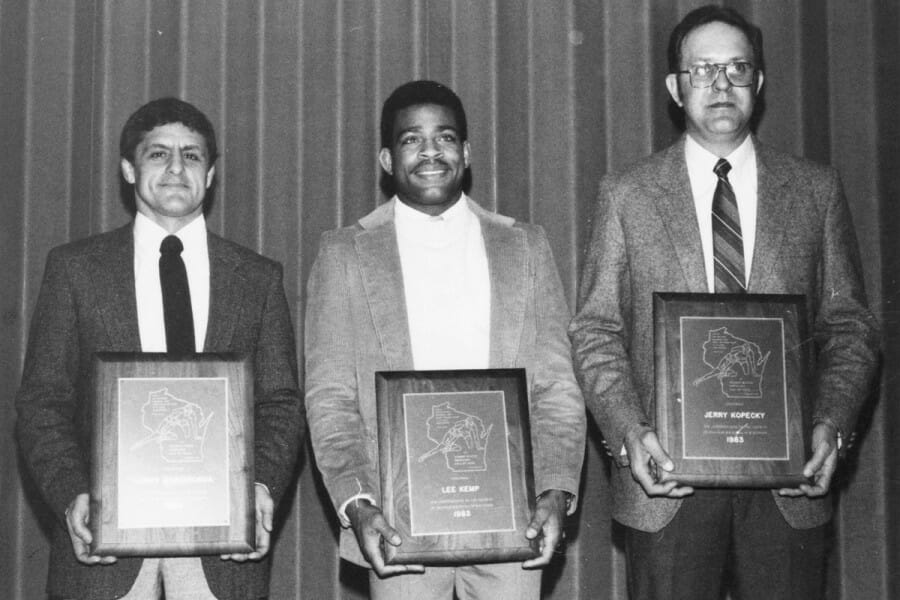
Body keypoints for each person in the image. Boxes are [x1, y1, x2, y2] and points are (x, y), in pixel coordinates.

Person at [569, 6, 880, 600]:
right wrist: (629, 434)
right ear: (674, 87)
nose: (720, 83)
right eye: (701, 69)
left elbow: (851, 327)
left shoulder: (816, 189)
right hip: (667, 488)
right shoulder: (627, 194)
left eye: (737, 67)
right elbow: (595, 331)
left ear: (758, 83)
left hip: (787, 489)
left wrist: (830, 428)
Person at [305, 80, 586, 599]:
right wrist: (359, 505)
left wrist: (555, 491)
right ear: (388, 159)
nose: (431, 152)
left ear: (467, 152)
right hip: (397, 523)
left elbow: (557, 390)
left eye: (446, 137)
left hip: (513, 518)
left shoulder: (526, 247)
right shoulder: (343, 254)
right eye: (412, 140)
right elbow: (330, 399)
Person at [15, 97, 304, 600]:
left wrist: (257, 492)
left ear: (210, 175)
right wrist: (74, 495)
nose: (176, 168)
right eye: (158, 154)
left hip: (221, 551)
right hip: (106, 552)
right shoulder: (75, 270)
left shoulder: (258, 278)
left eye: (192, 155)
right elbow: (42, 402)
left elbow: (281, 404)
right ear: (129, 169)